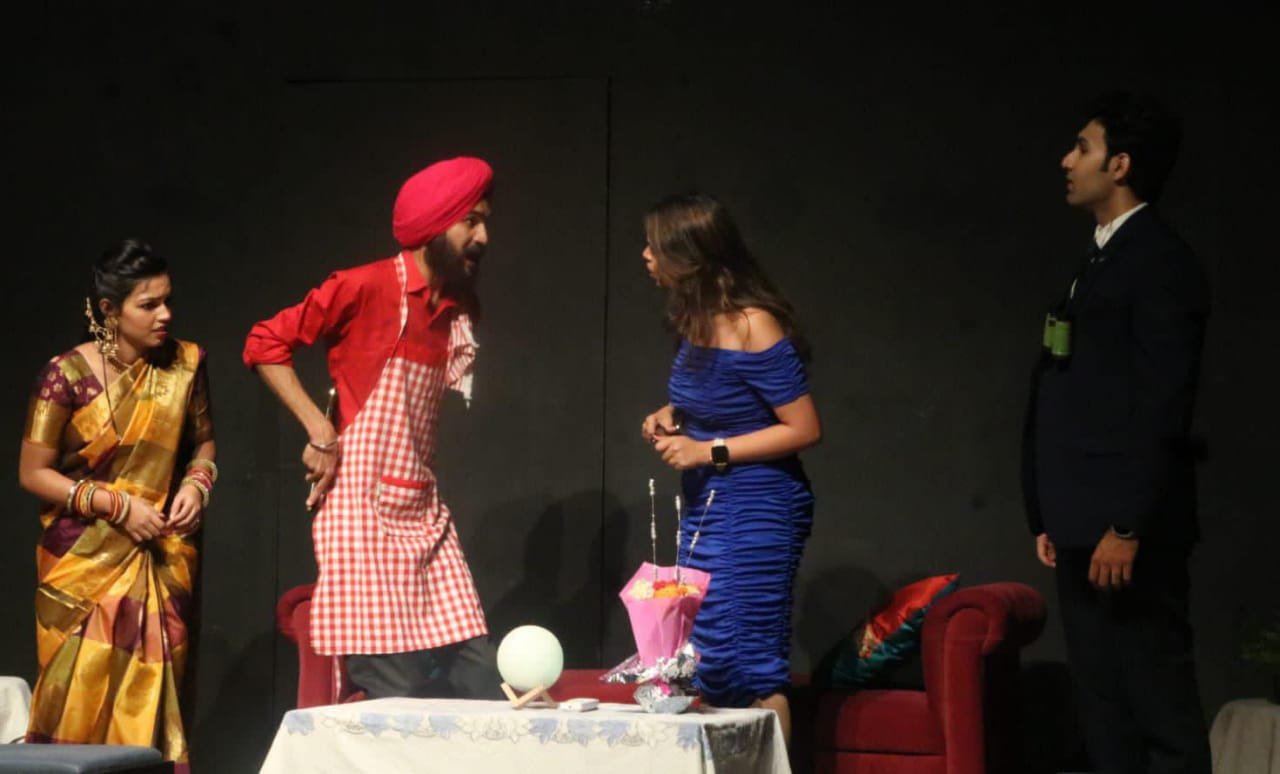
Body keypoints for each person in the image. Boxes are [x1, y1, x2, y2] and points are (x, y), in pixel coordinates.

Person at [243, 156, 499, 699]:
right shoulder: (365, 287)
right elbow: (265, 343)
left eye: (484, 222)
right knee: (397, 691)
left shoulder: (458, 308)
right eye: (471, 222)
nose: (483, 237)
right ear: (435, 226)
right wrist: (320, 430)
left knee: (479, 677)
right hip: (362, 514)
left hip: (422, 512)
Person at [1025, 93, 1211, 773]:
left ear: (1121, 164)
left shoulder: (1158, 260)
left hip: (1127, 532)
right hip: (1083, 523)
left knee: (1156, 701)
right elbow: (1069, 391)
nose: (1066, 160)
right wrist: (1048, 512)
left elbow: (1163, 402)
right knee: (1103, 709)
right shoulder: (1098, 261)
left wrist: (1127, 524)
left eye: (1083, 147)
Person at [18, 239, 216, 769]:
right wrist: (115, 504)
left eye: (167, 300)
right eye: (148, 304)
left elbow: (203, 443)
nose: (165, 314)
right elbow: (32, 473)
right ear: (109, 309)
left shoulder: (185, 365)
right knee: (76, 694)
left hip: (160, 555)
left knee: (150, 700)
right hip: (82, 561)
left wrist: (196, 484)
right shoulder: (65, 376)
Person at [639, 192, 821, 745]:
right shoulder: (695, 321)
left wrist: (707, 451)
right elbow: (721, 399)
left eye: (655, 246)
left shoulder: (753, 324)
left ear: (691, 255)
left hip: (758, 508)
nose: (646, 256)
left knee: (752, 662)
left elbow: (804, 428)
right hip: (709, 505)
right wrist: (673, 415)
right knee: (710, 658)